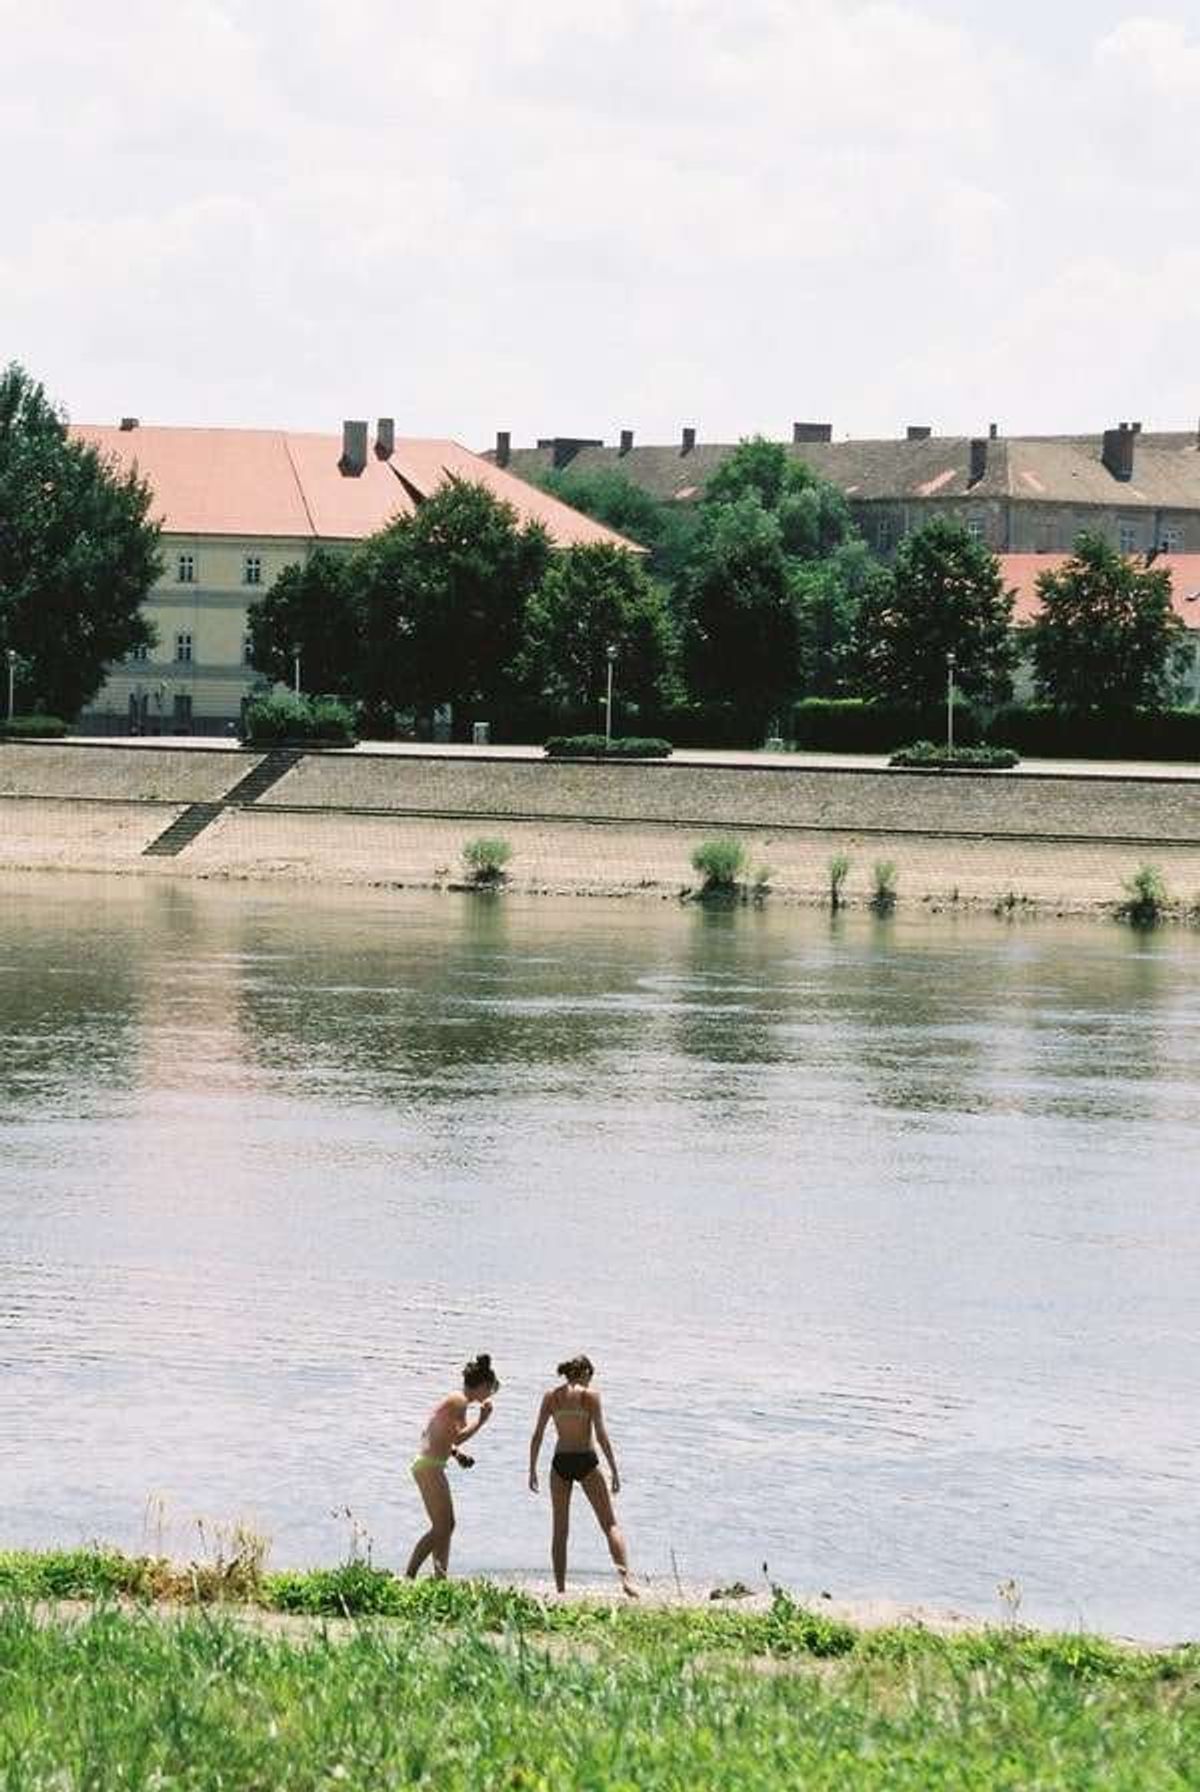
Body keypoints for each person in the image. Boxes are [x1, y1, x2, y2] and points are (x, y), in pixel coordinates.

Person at [528, 1352, 636, 1597]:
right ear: (585, 1372)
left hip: (560, 1462)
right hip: (585, 1460)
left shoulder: (551, 1397)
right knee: (610, 1524)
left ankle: (560, 1589)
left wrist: (532, 1468)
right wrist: (614, 1470)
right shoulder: (590, 1396)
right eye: (591, 1376)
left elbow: (537, 1435)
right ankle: (626, 1580)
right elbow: (601, 1435)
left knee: (559, 1530)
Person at [405, 1352, 499, 1580]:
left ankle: (440, 1578)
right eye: (491, 1388)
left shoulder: (458, 1401)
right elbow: (457, 1436)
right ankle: (409, 1576)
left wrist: (456, 1455)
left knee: (446, 1525)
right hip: (429, 1466)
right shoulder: (458, 1401)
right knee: (443, 1526)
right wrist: (482, 1421)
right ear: (483, 1385)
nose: (491, 1393)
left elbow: (440, 1435)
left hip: (431, 1464)